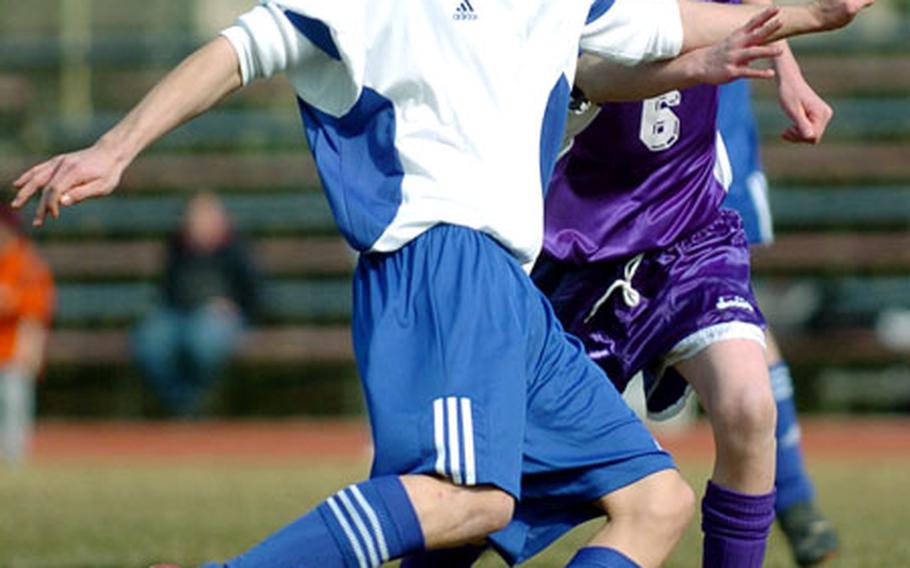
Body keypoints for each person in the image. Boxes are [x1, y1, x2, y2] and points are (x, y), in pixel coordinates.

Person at [9, 0, 872, 566]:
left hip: (511, 286)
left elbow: (618, 58)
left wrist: (794, 27)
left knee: (655, 500)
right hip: (440, 260)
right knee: (469, 503)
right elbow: (240, 48)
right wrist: (115, 146)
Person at [526, 5, 854, 566]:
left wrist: (787, 67)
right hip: (576, 241)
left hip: (689, 225)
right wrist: (700, 63)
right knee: (485, 499)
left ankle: (797, 509)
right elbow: (580, 73)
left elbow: (738, 12)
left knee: (749, 406)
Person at [718, 78, 839, 566]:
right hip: (610, 87)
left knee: (729, 299)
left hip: (707, 103)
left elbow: (754, 2)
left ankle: (794, 499)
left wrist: (786, 68)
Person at [133, 192, 260, 417]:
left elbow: (255, 294)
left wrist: (231, 307)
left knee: (203, 339)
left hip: (218, 320)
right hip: (178, 314)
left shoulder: (236, 248)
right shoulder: (177, 246)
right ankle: (180, 402)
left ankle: (195, 401)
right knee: (150, 341)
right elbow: (166, 288)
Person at [0, 206, 54, 465]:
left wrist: (31, 349)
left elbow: (35, 314)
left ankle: (14, 458)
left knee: (13, 403)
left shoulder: (26, 264)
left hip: (11, 351)